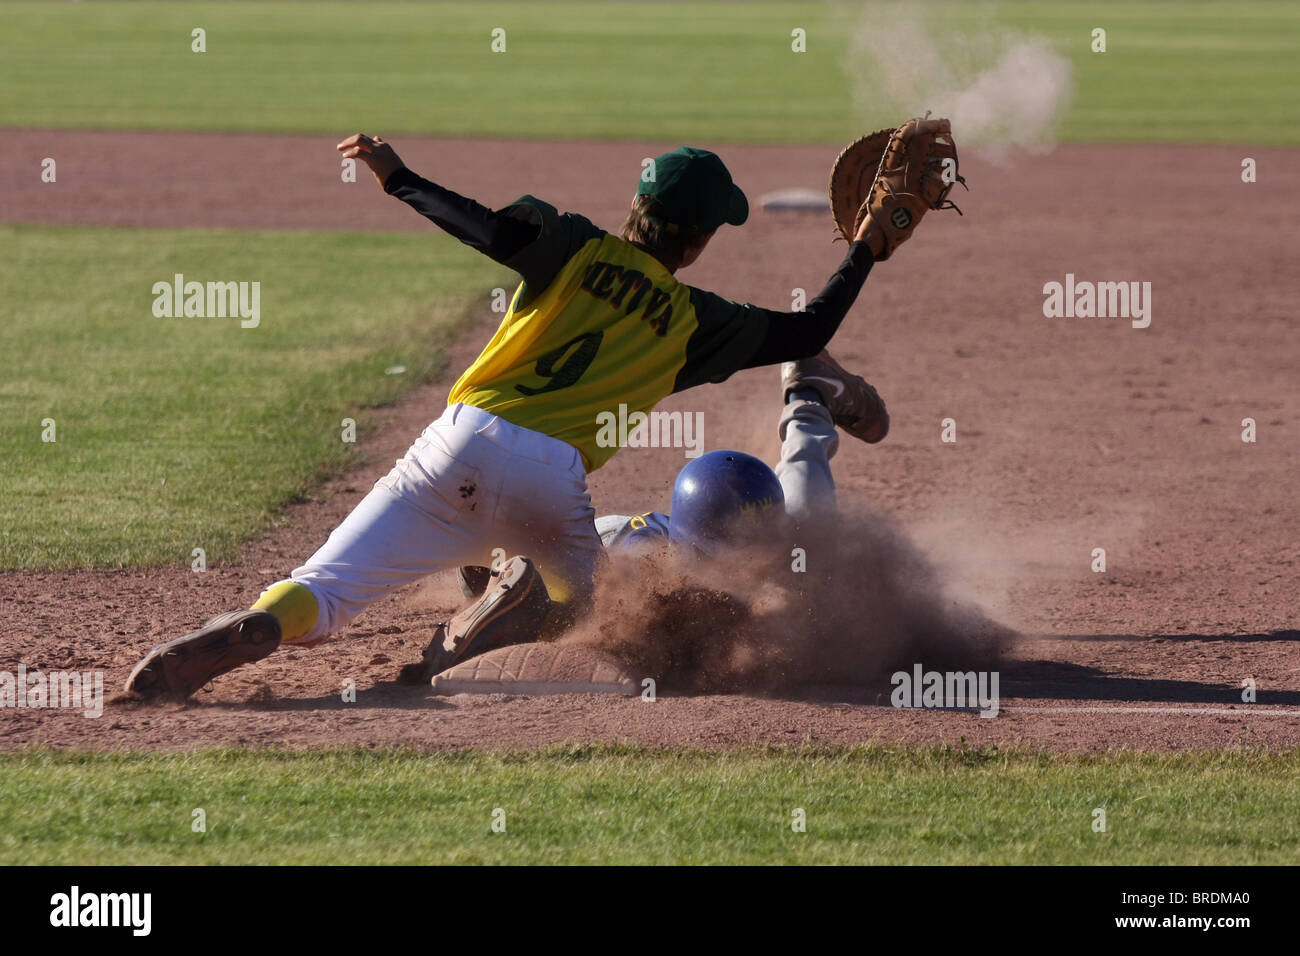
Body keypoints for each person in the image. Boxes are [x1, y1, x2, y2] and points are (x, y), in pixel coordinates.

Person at [125, 134, 893, 701]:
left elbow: (485, 229)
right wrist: (868, 245)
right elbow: (807, 332)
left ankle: (261, 625)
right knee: (589, 611)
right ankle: (507, 604)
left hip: (456, 441)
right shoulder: (696, 319)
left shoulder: (574, 249)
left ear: (637, 210)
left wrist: (398, 176)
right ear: (696, 242)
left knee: (323, 589)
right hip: (551, 480)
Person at [404, 348, 887, 681]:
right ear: (691, 544)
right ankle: (491, 571)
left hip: (711, 516)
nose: (751, 564)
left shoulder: (781, 528)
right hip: (608, 539)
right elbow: (620, 634)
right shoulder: (642, 576)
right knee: (556, 603)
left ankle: (809, 390)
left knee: (810, 501)